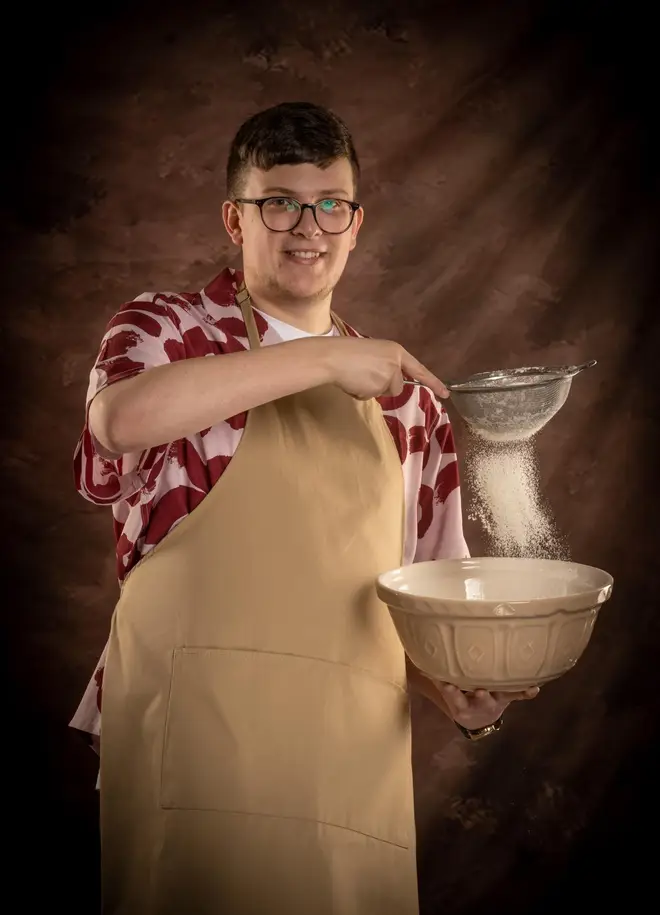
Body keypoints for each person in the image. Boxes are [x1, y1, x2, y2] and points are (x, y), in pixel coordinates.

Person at [70, 101, 539, 915]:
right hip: (197, 745)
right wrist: (326, 357)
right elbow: (119, 425)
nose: (307, 227)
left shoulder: (407, 406)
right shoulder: (170, 328)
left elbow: (424, 602)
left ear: (356, 224)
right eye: (278, 202)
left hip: (349, 759)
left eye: (331, 204)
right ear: (235, 218)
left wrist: (456, 690)